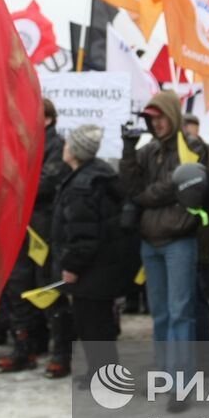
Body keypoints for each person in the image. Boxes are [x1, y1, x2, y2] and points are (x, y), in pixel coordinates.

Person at [120, 90, 209, 390]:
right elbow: (130, 186)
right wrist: (127, 151)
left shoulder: (191, 146)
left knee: (180, 313)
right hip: (151, 242)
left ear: (172, 115)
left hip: (179, 240)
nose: (156, 123)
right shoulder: (148, 150)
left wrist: (141, 197)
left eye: (160, 116)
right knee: (160, 313)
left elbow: (171, 187)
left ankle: (182, 382)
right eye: (151, 119)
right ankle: (165, 375)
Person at [49, 124, 131, 382]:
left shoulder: (81, 186)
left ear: (75, 151)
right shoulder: (97, 174)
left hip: (91, 270)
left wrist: (72, 266)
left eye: (67, 145)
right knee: (98, 324)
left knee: (94, 325)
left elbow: (84, 235)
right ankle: (101, 372)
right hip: (103, 267)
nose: (64, 148)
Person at [0, 98, 68, 372]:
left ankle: (61, 352)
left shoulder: (56, 145)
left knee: (49, 290)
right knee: (18, 288)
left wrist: (13, 180)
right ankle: (24, 348)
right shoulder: (18, 143)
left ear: (47, 118)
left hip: (43, 231)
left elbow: (46, 184)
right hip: (16, 228)